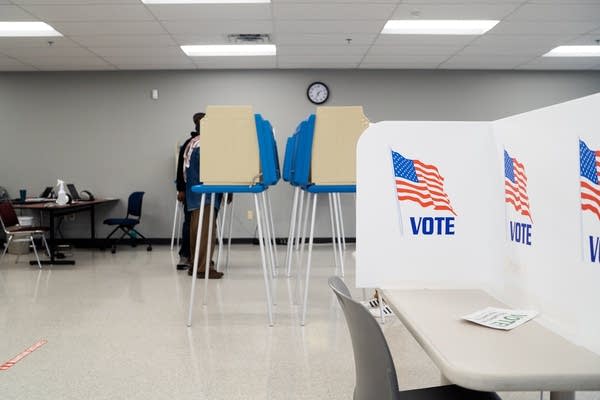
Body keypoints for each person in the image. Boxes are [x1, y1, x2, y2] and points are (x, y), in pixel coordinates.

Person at [182, 112, 224, 279]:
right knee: (206, 232)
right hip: (206, 195)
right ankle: (203, 268)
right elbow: (213, 171)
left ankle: (195, 265)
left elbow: (184, 172)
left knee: (196, 231)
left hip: (194, 196)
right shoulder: (206, 144)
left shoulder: (192, 143)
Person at [174, 112, 204, 270]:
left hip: (205, 192)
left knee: (201, 225)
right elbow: (181, 169)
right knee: (189, 223)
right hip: (190, 192)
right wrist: (180, 189)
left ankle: (197, 257)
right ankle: (185, 256)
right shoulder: (190, 143)